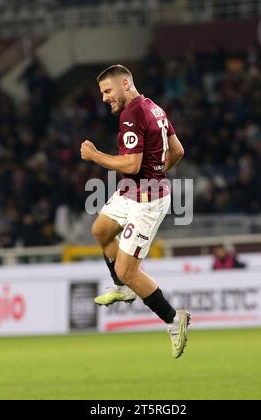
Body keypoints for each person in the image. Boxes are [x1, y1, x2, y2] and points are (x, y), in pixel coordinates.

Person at [80, 64, 190, 358]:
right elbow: (178, 151)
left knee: (127, 269)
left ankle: (173, 319)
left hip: (147, 201)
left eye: (107, 91)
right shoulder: (153, 107)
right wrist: (155, 173)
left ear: (126, 84)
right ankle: (123, 288)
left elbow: (131, 165)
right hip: (133, 190)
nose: (104, 98)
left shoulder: (132, 113)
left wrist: (94, 156)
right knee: (100, 230)